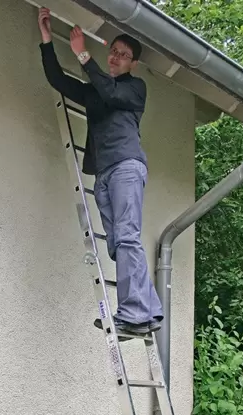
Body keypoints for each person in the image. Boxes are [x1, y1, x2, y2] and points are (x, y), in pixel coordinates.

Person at [37, 7, 163, 337]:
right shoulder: (96, 90)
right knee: (119, 244)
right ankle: (148, 312)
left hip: (126, 166)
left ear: (133, 63)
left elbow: (111, 91)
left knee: (126, 237)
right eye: (114, 51)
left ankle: (133, 314)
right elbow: (58, 80)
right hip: (103, 174)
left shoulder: (135, 88)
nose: (116, 57)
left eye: (124, 55)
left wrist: (82, 54)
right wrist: (47, 39)